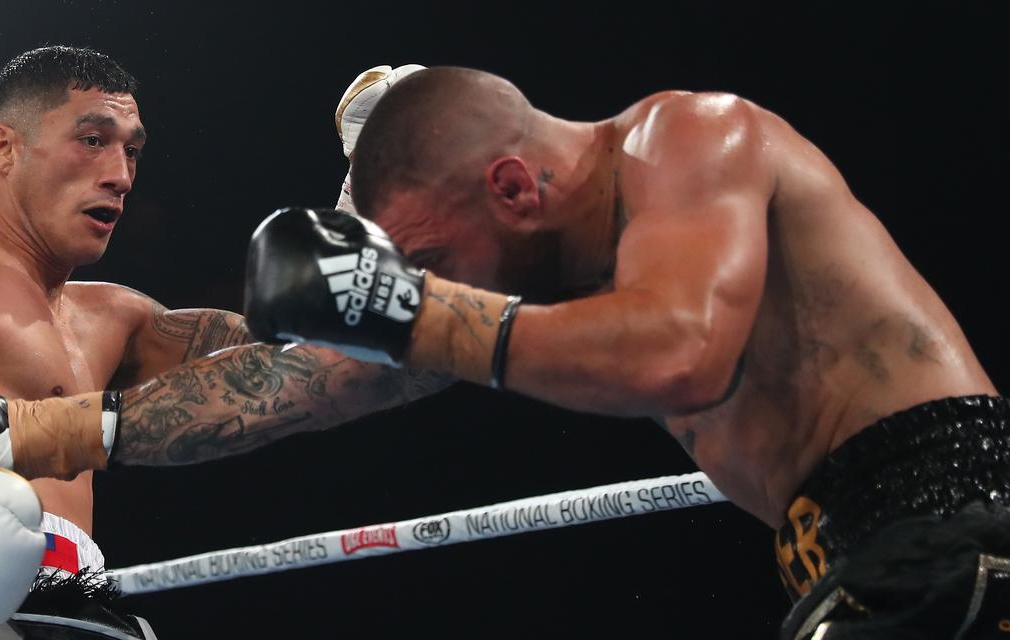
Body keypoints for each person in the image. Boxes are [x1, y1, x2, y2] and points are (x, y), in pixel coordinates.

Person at [245, 66, 1010, 639]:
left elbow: (682, 353)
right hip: (849, 559)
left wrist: (408, 310)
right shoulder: (580, 290)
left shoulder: (688, 137)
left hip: (952, 515)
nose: (445, 289)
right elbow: (330, 375)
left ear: (512, 188)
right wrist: (119, 422)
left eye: (437, 261)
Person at [0, 47, 446, 640]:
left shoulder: (116, 316)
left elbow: (303, 364)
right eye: (93, 140)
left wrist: (367, 202)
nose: (121, 175)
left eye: (131, 150)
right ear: (5, 148)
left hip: (88, 610)